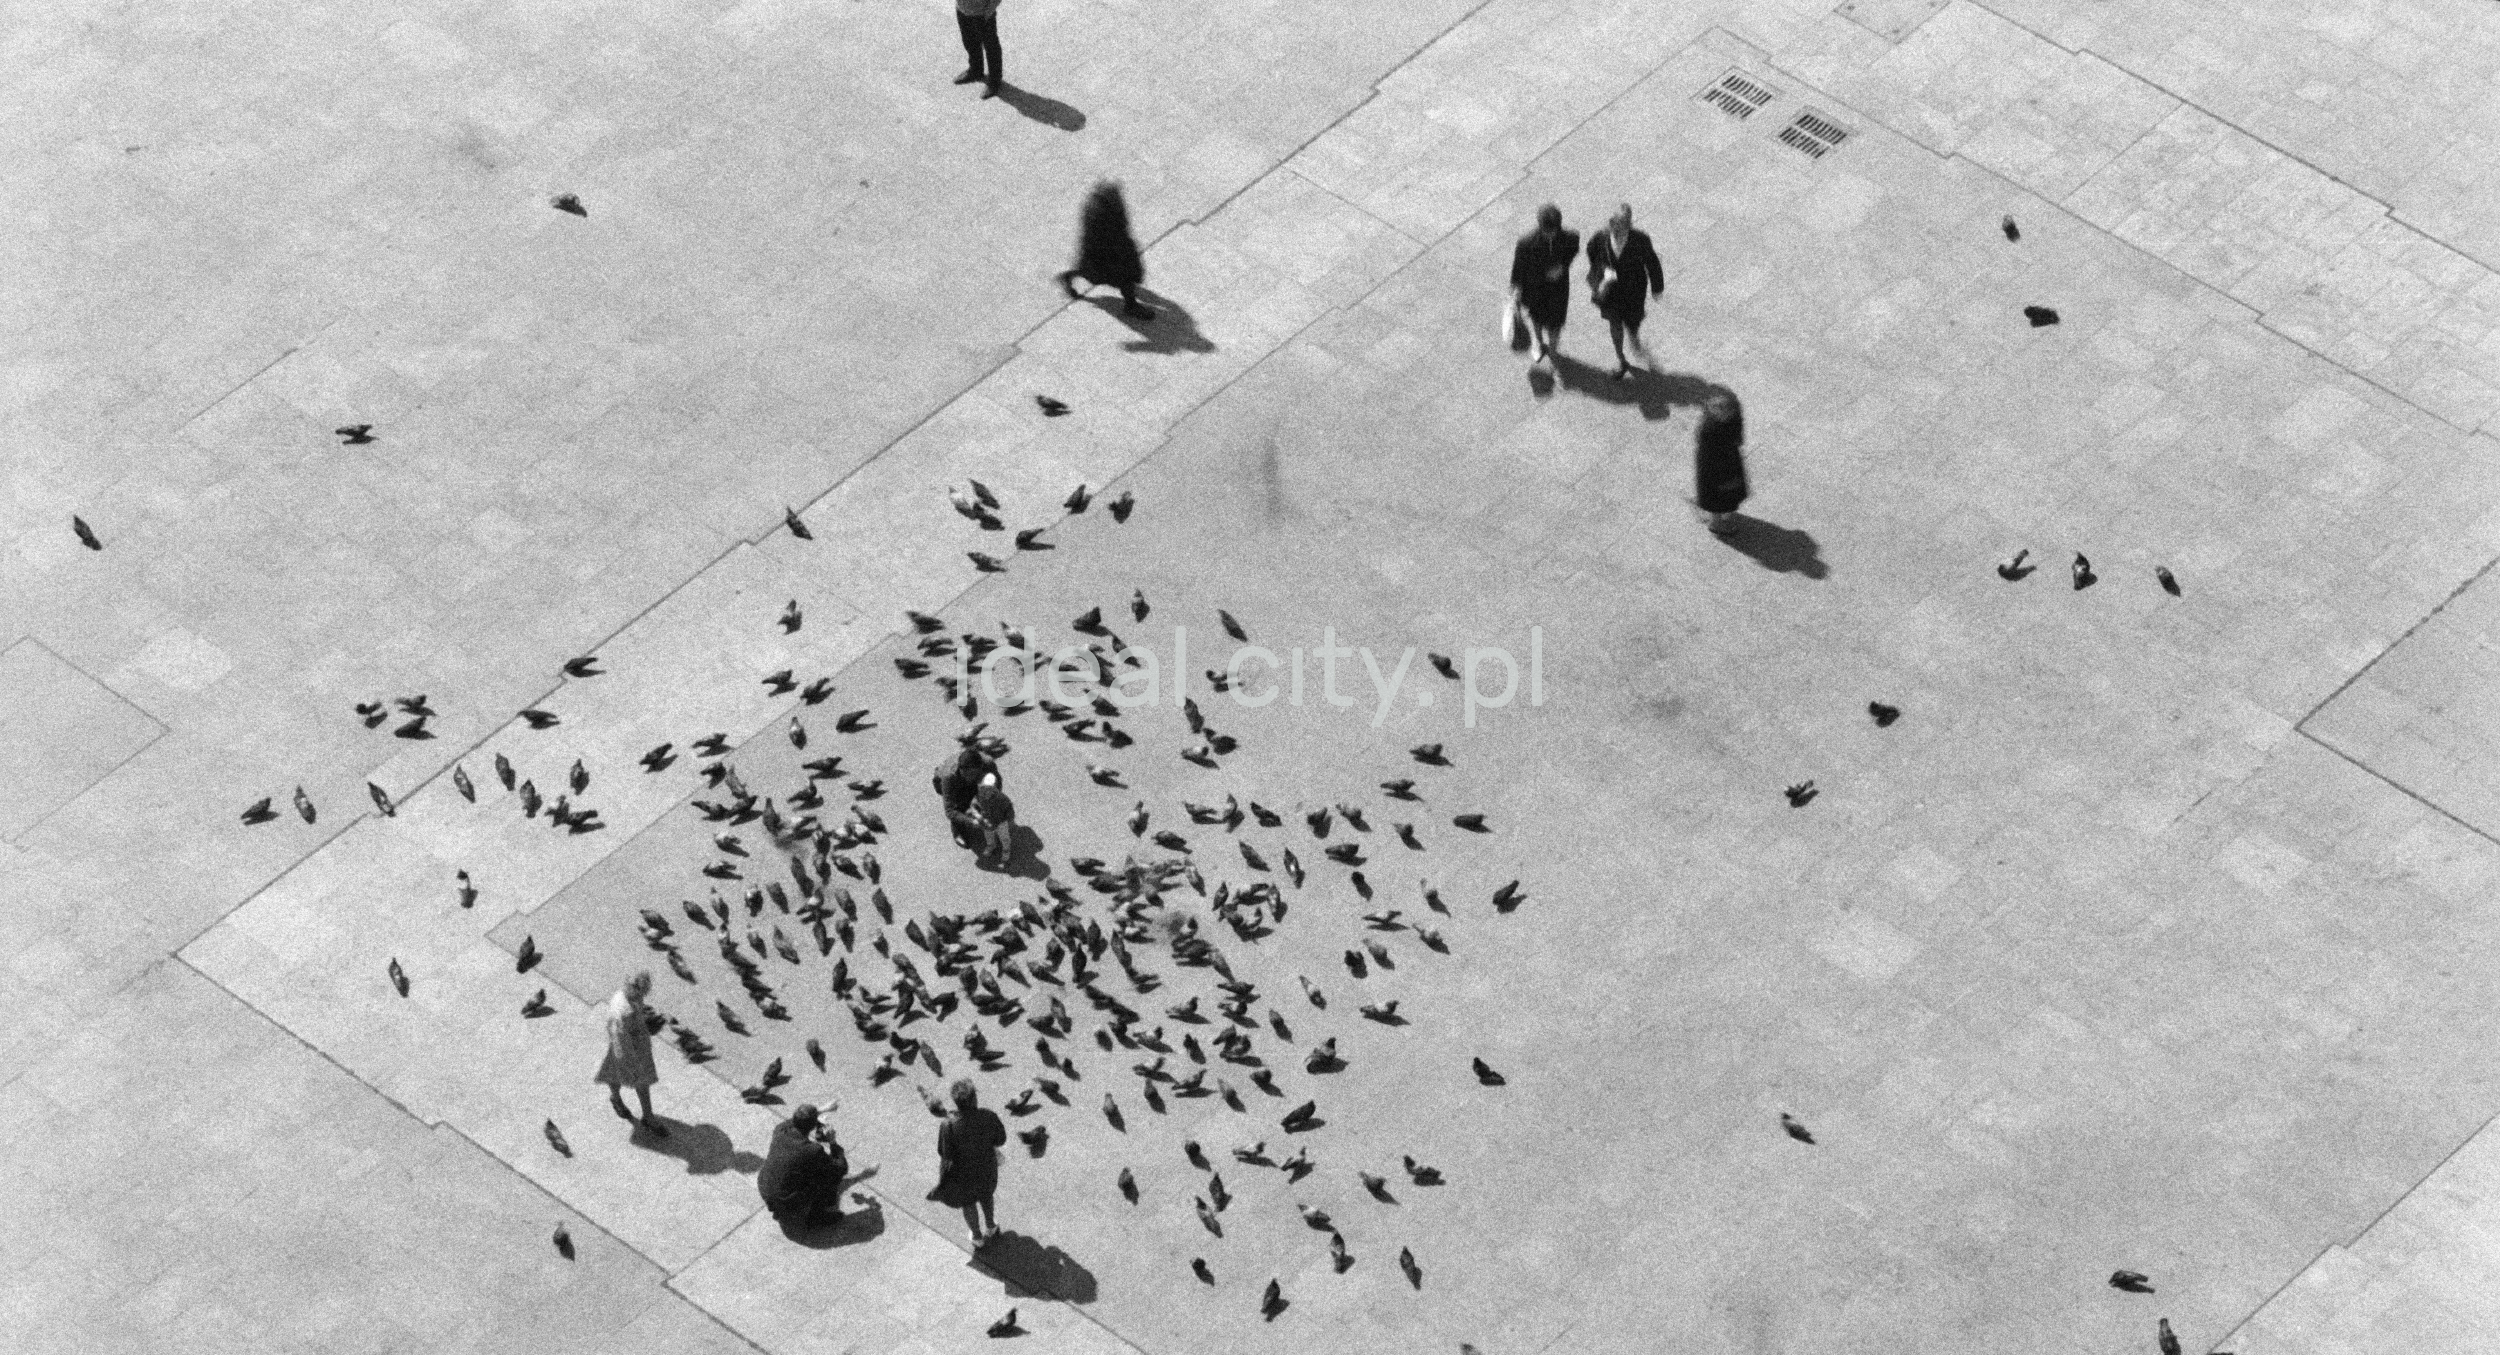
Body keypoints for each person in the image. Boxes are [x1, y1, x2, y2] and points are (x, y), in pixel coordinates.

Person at [924, 1079, 1008, 1242]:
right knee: (986, 1195)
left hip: (962, 1175)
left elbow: (945, 1153)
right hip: (986, 1168)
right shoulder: (988, 1116)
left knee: (968, 1203)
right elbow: (1001, 1139)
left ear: (956, 1102)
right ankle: (991, 1226)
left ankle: (977, 1237)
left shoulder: (948, 1125)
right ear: (975, 1098)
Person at [1585, 204, 1664, 378]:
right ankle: (1621, 359)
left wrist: (1657, 287)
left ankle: (1637, 344)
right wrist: (1603, 270)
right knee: (1615, 325)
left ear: (1629, 225)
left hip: (1633, 293)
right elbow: (1591, 252)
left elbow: (1652, 263)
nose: (1617, 231)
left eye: (1622, 226)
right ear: (1611, 222)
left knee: (1633, 327)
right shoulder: (1602, 237)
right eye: (1615, 225)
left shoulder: (1640, 240)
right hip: (1610, 293)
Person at [1058, 181, 1155, 320]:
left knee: (1097, 274)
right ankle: (1131, 306)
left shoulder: (1104, 208)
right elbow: (1106, 236)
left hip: (1110, 251)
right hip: (1108, 254)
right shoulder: (1100, 214)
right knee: (1124, 278)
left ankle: (1069, 276)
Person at [594, 971, 667, 1137]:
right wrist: (629, 1062)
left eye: (643, 993)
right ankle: (618, 1100)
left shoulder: (631, 997)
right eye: (641, 992)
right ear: (632, 988)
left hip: (637, 1045)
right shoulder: (621, 1010)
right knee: (618, 1076)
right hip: (626, 1051)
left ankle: (645, 1114)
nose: (642, 996)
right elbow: (618, 1039)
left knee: (641, 1081)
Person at [758, 1103, 850, 1230]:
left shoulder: (780, 1130)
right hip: (785, 1200)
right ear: (812, 1126)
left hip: (765, 1187)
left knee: (801, 1170)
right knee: (828, 1176)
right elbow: (841, 1168)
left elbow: (795, 1121)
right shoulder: (811, 1150)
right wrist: (832, 1142)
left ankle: (782, 1208)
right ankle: (816, 1217)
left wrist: (822, 1109)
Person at [1508, 204, 1580, 367]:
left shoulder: (1570, 237)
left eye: (1553, 231)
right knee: (1536, 318)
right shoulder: (1526, 243)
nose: (1550, 235)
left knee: (1556, 323)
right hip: (1534, 288)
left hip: (1558, 289)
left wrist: (1563, 265)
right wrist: (1515, 289)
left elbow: (1573, 250)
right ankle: (1539, 343)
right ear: (1540, 226)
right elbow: (1518, 268)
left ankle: (1553, 349)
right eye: (1547, 231)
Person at [1694, 389, 1748, 537]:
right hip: (1716, 468)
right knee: (1716, 496)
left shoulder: (1731, 417)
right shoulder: (1709, 430)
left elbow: (1737, 435)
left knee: (1724, 494)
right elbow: (1711, 455)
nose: (1728, 415)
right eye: (1723, 412)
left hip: (1726, 462)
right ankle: (1716, 523)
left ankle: (1721, 515)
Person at [933, 745, 997, 850]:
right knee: (961, 804)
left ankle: (976, 808)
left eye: (973, 774)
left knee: (982, 795)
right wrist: (971, 822)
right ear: (961, 769)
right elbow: (950, 811)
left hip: (969, 778)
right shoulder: (948, 777)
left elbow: (996, 782)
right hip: (944, 783)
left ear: (980, 767)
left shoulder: (987, 763)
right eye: (966, 774)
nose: (969, 778)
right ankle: (958, 830)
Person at [953, 0, 1004, 98]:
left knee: (991, 46)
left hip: (981, 13)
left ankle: (995, 81)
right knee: (969, 40)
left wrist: (989, 11)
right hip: (961, 8)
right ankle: (975, 70)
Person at [971, 775, 1015, 867]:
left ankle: (1006, 850)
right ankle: (991, 845)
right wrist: (978, 816)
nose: (986, 791)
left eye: (989, 788)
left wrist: (1010, 820)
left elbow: (1009, 809)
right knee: (988, 835)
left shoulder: (1002, 798)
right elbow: (974, 806)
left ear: (994, 788)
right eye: (984, 788)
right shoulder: (979, 795)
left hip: (1000, 821)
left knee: (1004, 837)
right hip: (987, 821)